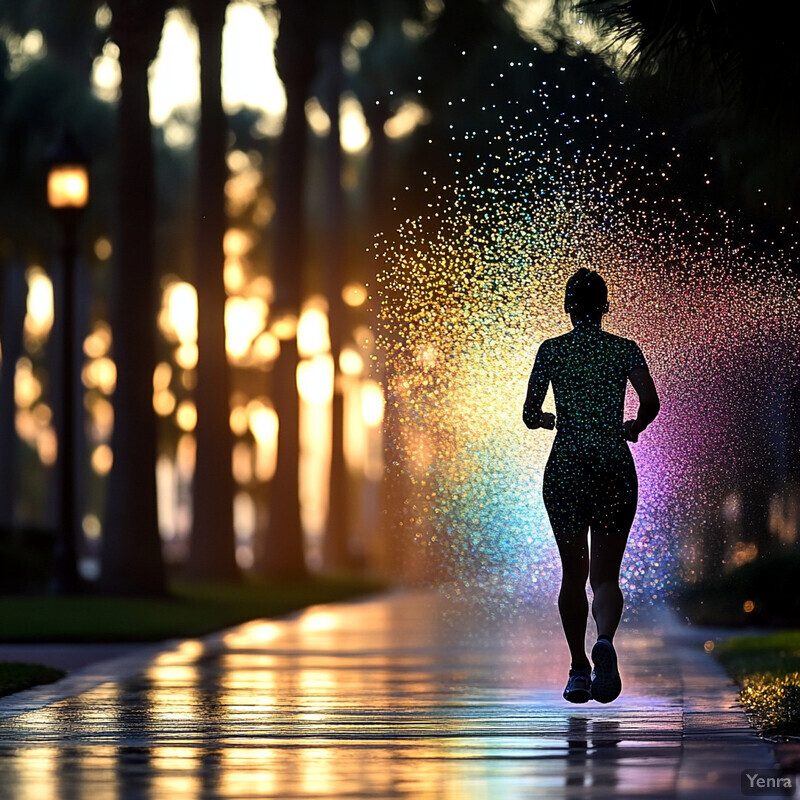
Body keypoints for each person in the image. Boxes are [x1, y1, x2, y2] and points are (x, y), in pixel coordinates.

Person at [522, 268, 660, 703]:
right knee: (605, 577)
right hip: (612, 466)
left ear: (567, 307)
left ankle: (578, 669)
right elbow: (650, 401)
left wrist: (550, 420)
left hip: (565, 469)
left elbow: (529, 412)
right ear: (604, 307)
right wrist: (633, 426)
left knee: (572, 576)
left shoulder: (552, 351)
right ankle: (604, 641)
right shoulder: (623, 350)